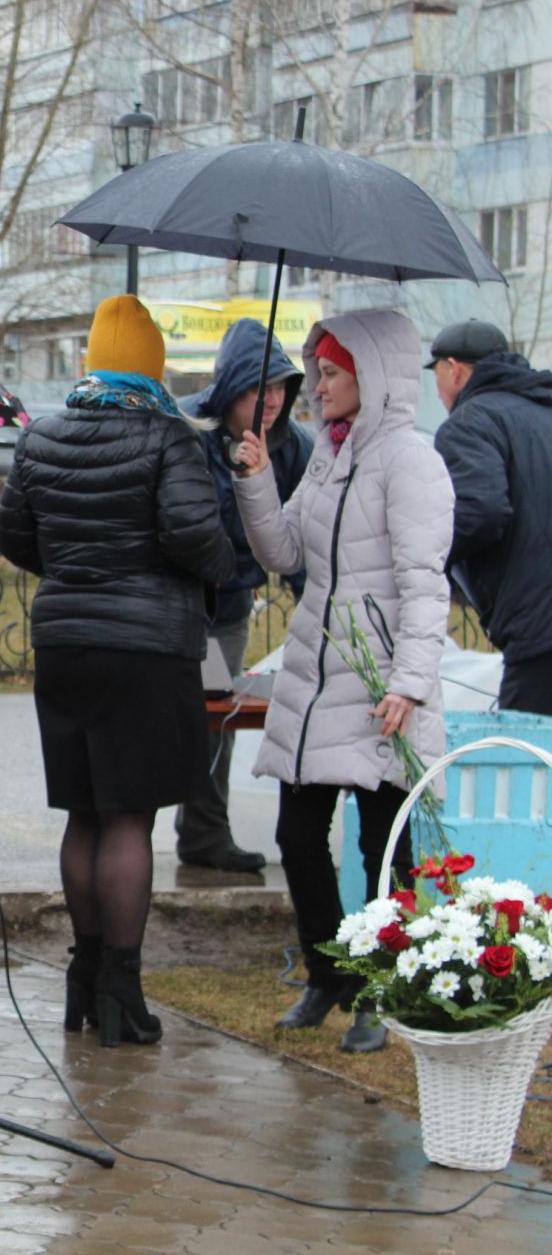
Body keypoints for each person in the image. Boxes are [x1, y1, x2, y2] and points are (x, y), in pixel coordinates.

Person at [0, 295, 234, 1049]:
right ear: (154, 366)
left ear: (93, 359)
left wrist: (74, 568)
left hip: (66, 645)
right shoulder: (168, 437)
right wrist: (224, 570)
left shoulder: (44, 436)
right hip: (148, 648)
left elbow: (13, 537)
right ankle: (122, 994)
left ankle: (84, 975)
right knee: (130, 818)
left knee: (84, 813)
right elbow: (193, 536)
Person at [234, 312, 453, 1054]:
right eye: (319, 372)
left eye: (330, 373)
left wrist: (412, 682)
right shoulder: (329, 457)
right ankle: (331, 973)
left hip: (381, 684)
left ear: (372, 376)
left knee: (382, 847)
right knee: (298, 834)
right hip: (318, 675)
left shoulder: (410, 461)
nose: (316, 387)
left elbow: (425, 585)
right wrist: (259, 480)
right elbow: (284, 550)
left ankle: (382, 988)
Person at [175, 319, 311, 874]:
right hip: (179, 607)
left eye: (282, 386)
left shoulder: (295, 447)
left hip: (228, 611)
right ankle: (133, 833)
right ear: (231, 387)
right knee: (172, 722)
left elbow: (304, 536)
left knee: (217, 720)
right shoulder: (189, 438)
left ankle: (205, 833)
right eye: (261, 387)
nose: (274, 400)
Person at [429, 320, 552, 713]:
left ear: (456, 370)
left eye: (436, 374)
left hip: (538, 629)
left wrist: (428, 559)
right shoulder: (543, 412)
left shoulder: (467, 424)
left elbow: (481, 511)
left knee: (522, 755)